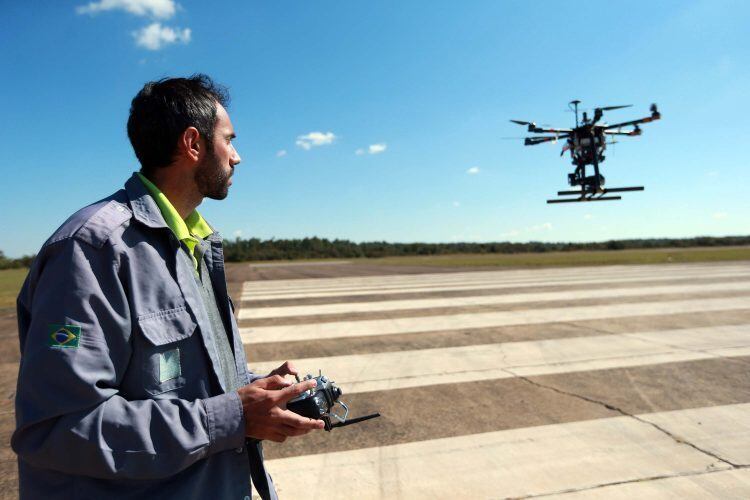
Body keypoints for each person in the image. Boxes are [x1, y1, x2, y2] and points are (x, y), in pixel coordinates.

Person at [12, 74, 324, 499]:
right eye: (229, 140)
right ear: (193, 144)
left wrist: (261, 390)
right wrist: (232, 416)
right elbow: (58, 428)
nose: (237, 157)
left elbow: (175, 383)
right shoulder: (94, 249)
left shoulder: (193, 244)